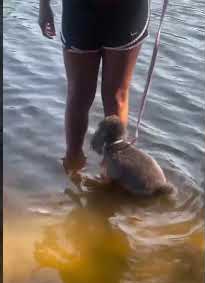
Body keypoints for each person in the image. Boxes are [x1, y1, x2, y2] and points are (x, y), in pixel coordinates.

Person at [38, 0, 150, 174]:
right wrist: (44, 6)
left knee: (102, 96)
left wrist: (44, 6)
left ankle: (100, 172)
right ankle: (76, 171)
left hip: (123, 11)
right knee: (83, 96)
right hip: (85, 10)